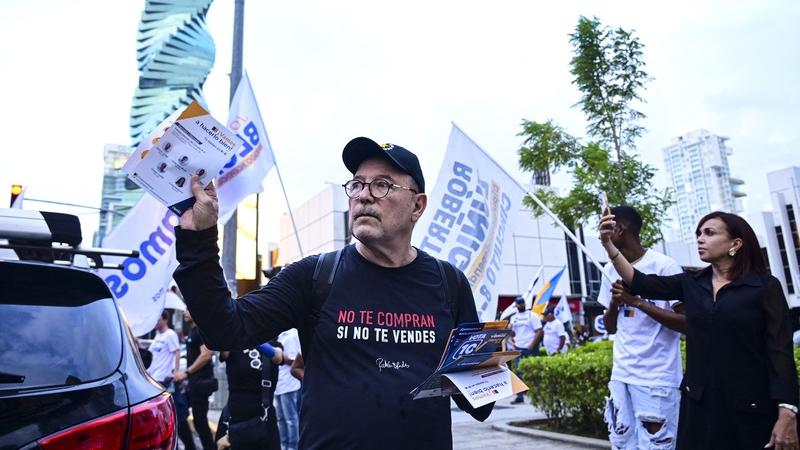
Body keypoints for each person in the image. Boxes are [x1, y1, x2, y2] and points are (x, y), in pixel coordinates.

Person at [173, 137, 493, 449]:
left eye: (382, 184)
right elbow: (224, 329)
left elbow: (480, 403)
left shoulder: (450, 283)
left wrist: (484, 365)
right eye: (357, 185)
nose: (364, 196)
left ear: (417, 205)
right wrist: (198, 240)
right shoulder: (313, 276)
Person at [600, 210, 799, 450]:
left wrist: (787, 410)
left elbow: (780, 352)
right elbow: (640, 281)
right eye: (698, 234)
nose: (700, 239)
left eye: (709, 233)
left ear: (735, 244)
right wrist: (608, 245)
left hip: (750, 405)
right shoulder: (692, 283)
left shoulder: (764, 287)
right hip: (700, 404)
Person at [597, 205, 685, 450]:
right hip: (622, 375)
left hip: (657, 378)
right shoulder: (608, 269)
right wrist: (615, 303)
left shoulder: (664, 266)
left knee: (658, 445)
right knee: (622, 443)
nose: (600, 230)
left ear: (620, 229)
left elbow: (688, 323)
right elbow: (610, 327)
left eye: (605, 225)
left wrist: (638, 302)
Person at [219, 341, 283, 450]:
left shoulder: (274, 346)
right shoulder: (233, 345)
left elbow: (278, 357)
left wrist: (252, 337)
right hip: (234, 418)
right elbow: (223, 353)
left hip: (264, 419)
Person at [147, 310, 195, 450]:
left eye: (157, 319)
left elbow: (177, 353)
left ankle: (189, 446)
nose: (155, 322)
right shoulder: (157, 336)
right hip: (155, 381)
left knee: (178, 417)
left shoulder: (170, 334)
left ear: (165, 319)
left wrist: (176, 372)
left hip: (167, 382)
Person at [174, 309, 218, 450]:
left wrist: (186, 373)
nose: (185, 312)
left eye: (189, 309)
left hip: (201, 384)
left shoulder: (200, 331)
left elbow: (206, 355)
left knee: (200, 422)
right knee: (183, 415)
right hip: (193, 384)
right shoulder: (192, 331)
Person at [509, 296, 542, 404]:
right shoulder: (514, 318)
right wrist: (511, 339)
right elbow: (512, 333)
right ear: (516, 305)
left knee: (533, 371)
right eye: (518, 303)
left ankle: (537, 394)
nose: (520, 305)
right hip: (518, 347)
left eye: (522, 303)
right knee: (518, 371)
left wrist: (532, 345)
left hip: (530, 348)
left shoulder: (532, 315)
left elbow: (539, 331)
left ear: (524, 304)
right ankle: (520, 396)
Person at [275, 329, 302, 450]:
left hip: (288, 384)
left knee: (291, 419)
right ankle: (283, 446)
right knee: (281, 419)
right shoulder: (279, 336)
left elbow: (294, 360)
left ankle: (293, 447)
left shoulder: (291, 335)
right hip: (279, 383)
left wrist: (278, 356)